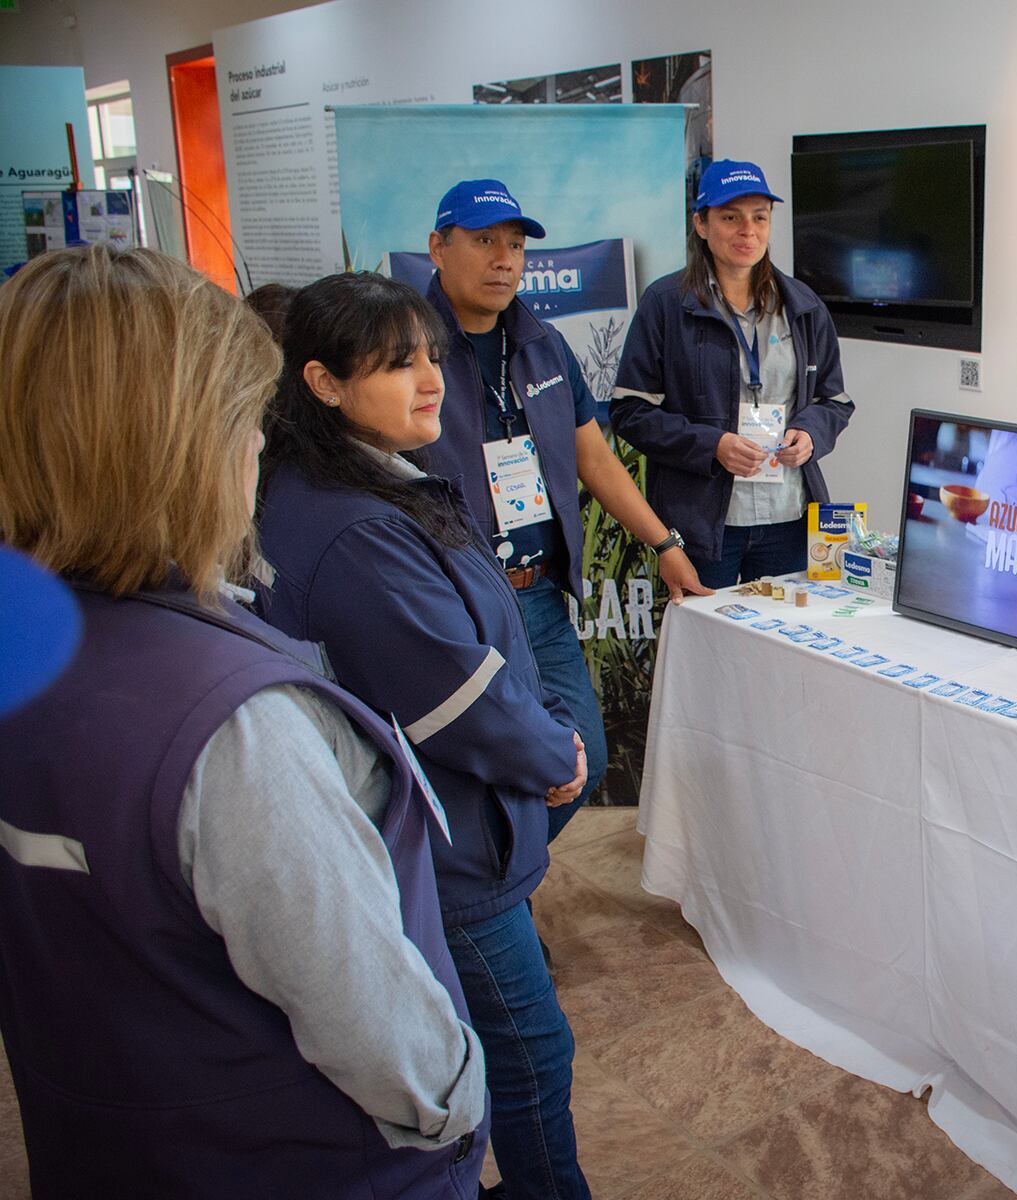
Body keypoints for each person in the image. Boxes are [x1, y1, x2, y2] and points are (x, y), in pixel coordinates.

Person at [0, 246, 487, 1198]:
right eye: (243, 423)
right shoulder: (235, 728)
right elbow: (376, 1027)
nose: (259, 448)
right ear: (173, 445)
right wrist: (458, 1099)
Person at [255, 272, 591, 1200]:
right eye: (398, 363)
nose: (430, 380)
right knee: (530, 1055)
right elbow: (455, 699)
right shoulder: (356, 529)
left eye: (430, 357)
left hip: (427, 838)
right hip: (450, 857)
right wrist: (551, 754)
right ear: (323, 383)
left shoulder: (349, 483)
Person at [424, 178, 709, 817]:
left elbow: (595, 458)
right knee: (475, 768)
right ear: (438, 248)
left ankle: (500, 885)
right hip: (454, 602)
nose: (504, 259)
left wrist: (663, 542)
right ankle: (486, 900)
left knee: (583, 756)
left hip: (539, 597)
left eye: (517, 245)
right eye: (484, 241)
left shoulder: (542, 344)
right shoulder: (407, 349)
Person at [612, 159, 855, 587]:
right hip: (705, 525)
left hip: (789, 517)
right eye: (730, 217)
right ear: (701, 224)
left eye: (759, 217)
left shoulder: (803, 306)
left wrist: (811, 434)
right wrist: (712, 445)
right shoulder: (666, 304)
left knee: (786, 644)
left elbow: (833, 400)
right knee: (709, 646)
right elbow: (630, 412)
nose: (748, 231)